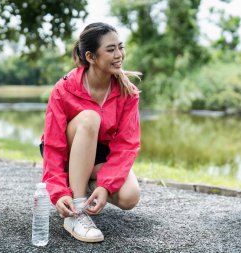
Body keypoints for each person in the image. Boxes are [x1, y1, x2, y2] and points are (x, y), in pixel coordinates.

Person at [40, 22, 142, 243]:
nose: (119, 55)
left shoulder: (128, 92)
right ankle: (76, 212)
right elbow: (53, 145)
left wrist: (106, 186)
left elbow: (126, 145)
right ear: (91, 56)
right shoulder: (64, 89)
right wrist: (58, 191)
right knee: (90, 117)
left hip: (97, 153)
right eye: (110, 49)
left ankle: (81, 182)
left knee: (129, 197)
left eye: (120, 47)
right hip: (67, 151)